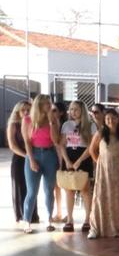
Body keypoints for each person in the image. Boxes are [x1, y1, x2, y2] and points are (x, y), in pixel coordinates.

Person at [86, 109, 119, 240]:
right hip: (104, 171)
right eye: (107, 119)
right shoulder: (100, 133)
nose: (110, 121)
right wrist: (100, 162)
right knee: (101, 197)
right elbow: (92, 150)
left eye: (113, 118)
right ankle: (96, 227)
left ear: (118, 119)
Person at [20, 94, 61, 233]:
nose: (49, 106)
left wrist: (51, 122)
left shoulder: (53, 119)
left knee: (49, 190)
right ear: (39, 105)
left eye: (50, 103)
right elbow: (27, 141)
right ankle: (27, 221)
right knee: (32, 191)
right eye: (46, 104)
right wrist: (31, 160)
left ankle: (48, 219)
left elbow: (56, 140)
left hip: (50, 154)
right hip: (34, 154)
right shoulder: (27, 120)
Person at [60, 100, 94, 233]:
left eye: (76, 109)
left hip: (84, 157)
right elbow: (62, 144)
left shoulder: (91, 125)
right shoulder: (66, 125)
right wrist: (67, 160)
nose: (73, 112)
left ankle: (87, 219)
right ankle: (70, 219)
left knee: (85, 190)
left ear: (82, 111)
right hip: (69, 157)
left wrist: (80, 160)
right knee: (69, 190)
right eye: (71, 109)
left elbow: (91, 146)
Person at [7, 100, 37, 227]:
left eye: (28, 110)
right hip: (20, 160)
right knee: (19, 187)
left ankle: (32, 215)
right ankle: (20, 215)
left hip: (32, 159)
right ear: (17, 112)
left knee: (31, 188)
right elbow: (12, 146)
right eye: (23, 110)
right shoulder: (13, 125)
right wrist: (27, 156)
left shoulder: (33, 124)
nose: (26, 112)